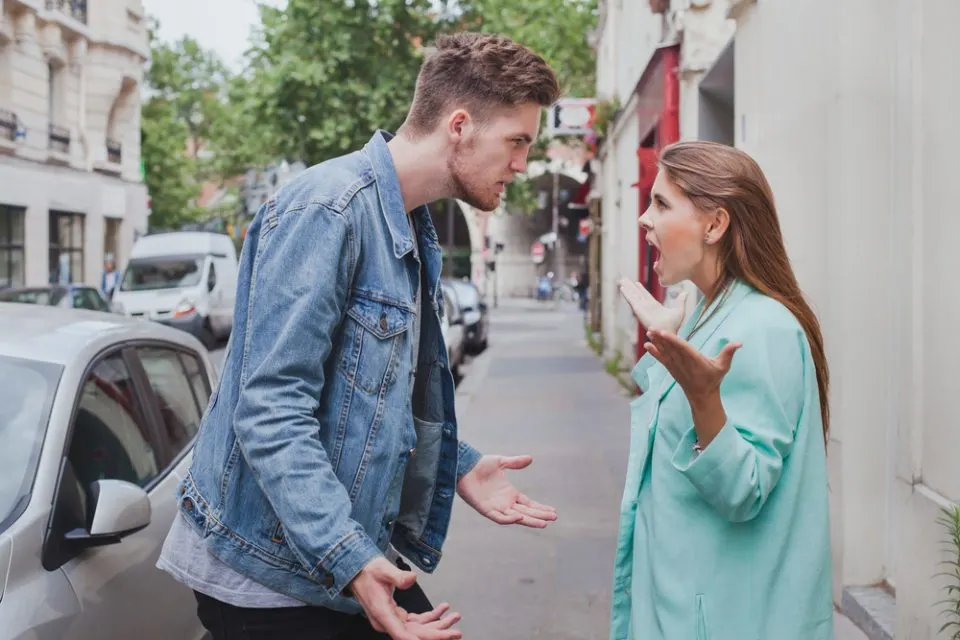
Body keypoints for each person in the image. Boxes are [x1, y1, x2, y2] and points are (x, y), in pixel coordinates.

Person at [156, 32, 561, 640]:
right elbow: (269, 411)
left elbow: (371, 399)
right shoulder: (328, 210)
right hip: (266, 573)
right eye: (517, 141)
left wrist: (457, 464)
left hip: (325, 548)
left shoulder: (407, 221)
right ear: (459, 126)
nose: (522, 164)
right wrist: (350, 558)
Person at [611, 141, 833, 640]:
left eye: (662, 204)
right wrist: (669, 341)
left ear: (715, 225)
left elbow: (743, 489)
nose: (645, 220)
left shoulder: (762, 327)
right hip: (685, 605)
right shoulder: (714, 313)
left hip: (725, 617)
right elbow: (668, 434)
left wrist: (704, 398)